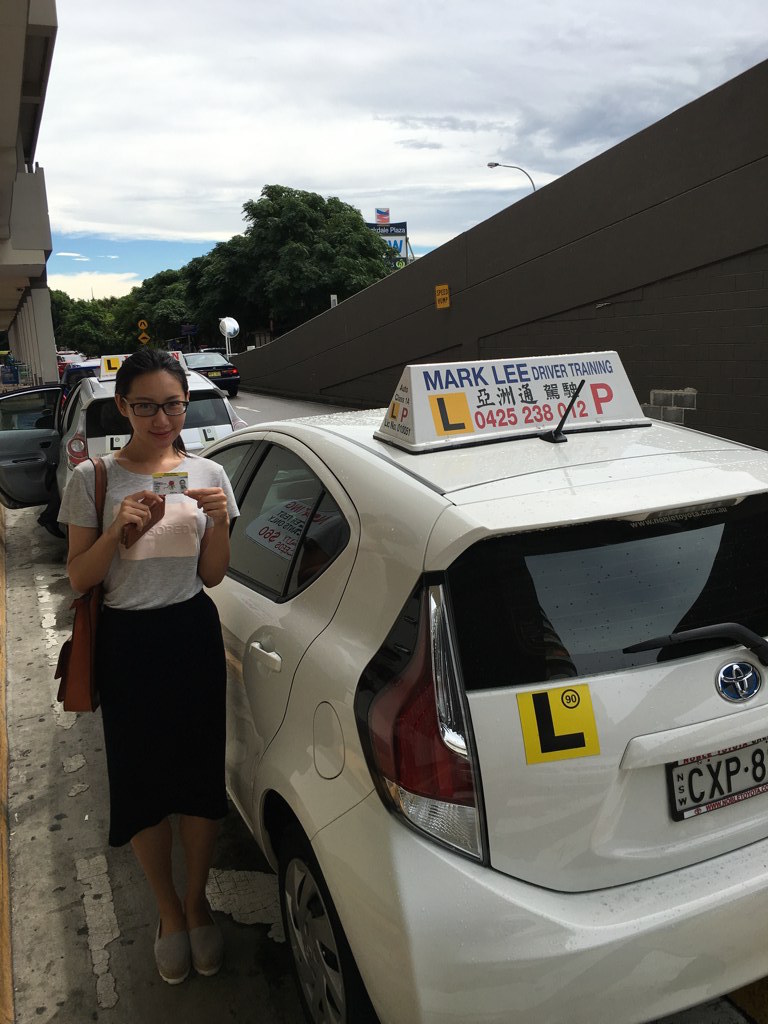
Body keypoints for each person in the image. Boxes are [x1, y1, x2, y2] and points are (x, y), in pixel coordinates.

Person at [58, 348, 239, 985]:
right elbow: (79, 576)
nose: (160, 418)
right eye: (145, 406)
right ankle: (167, 911)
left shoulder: (209, 472)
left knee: (197, 781)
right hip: (127, 644)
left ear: (185, 404)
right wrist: (118, 533)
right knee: (142, 786)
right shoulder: (94, 479)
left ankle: (197, 904)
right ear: (123, 408)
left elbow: (212, 574)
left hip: (189, 634)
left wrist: (217, 523)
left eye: (172, 404)